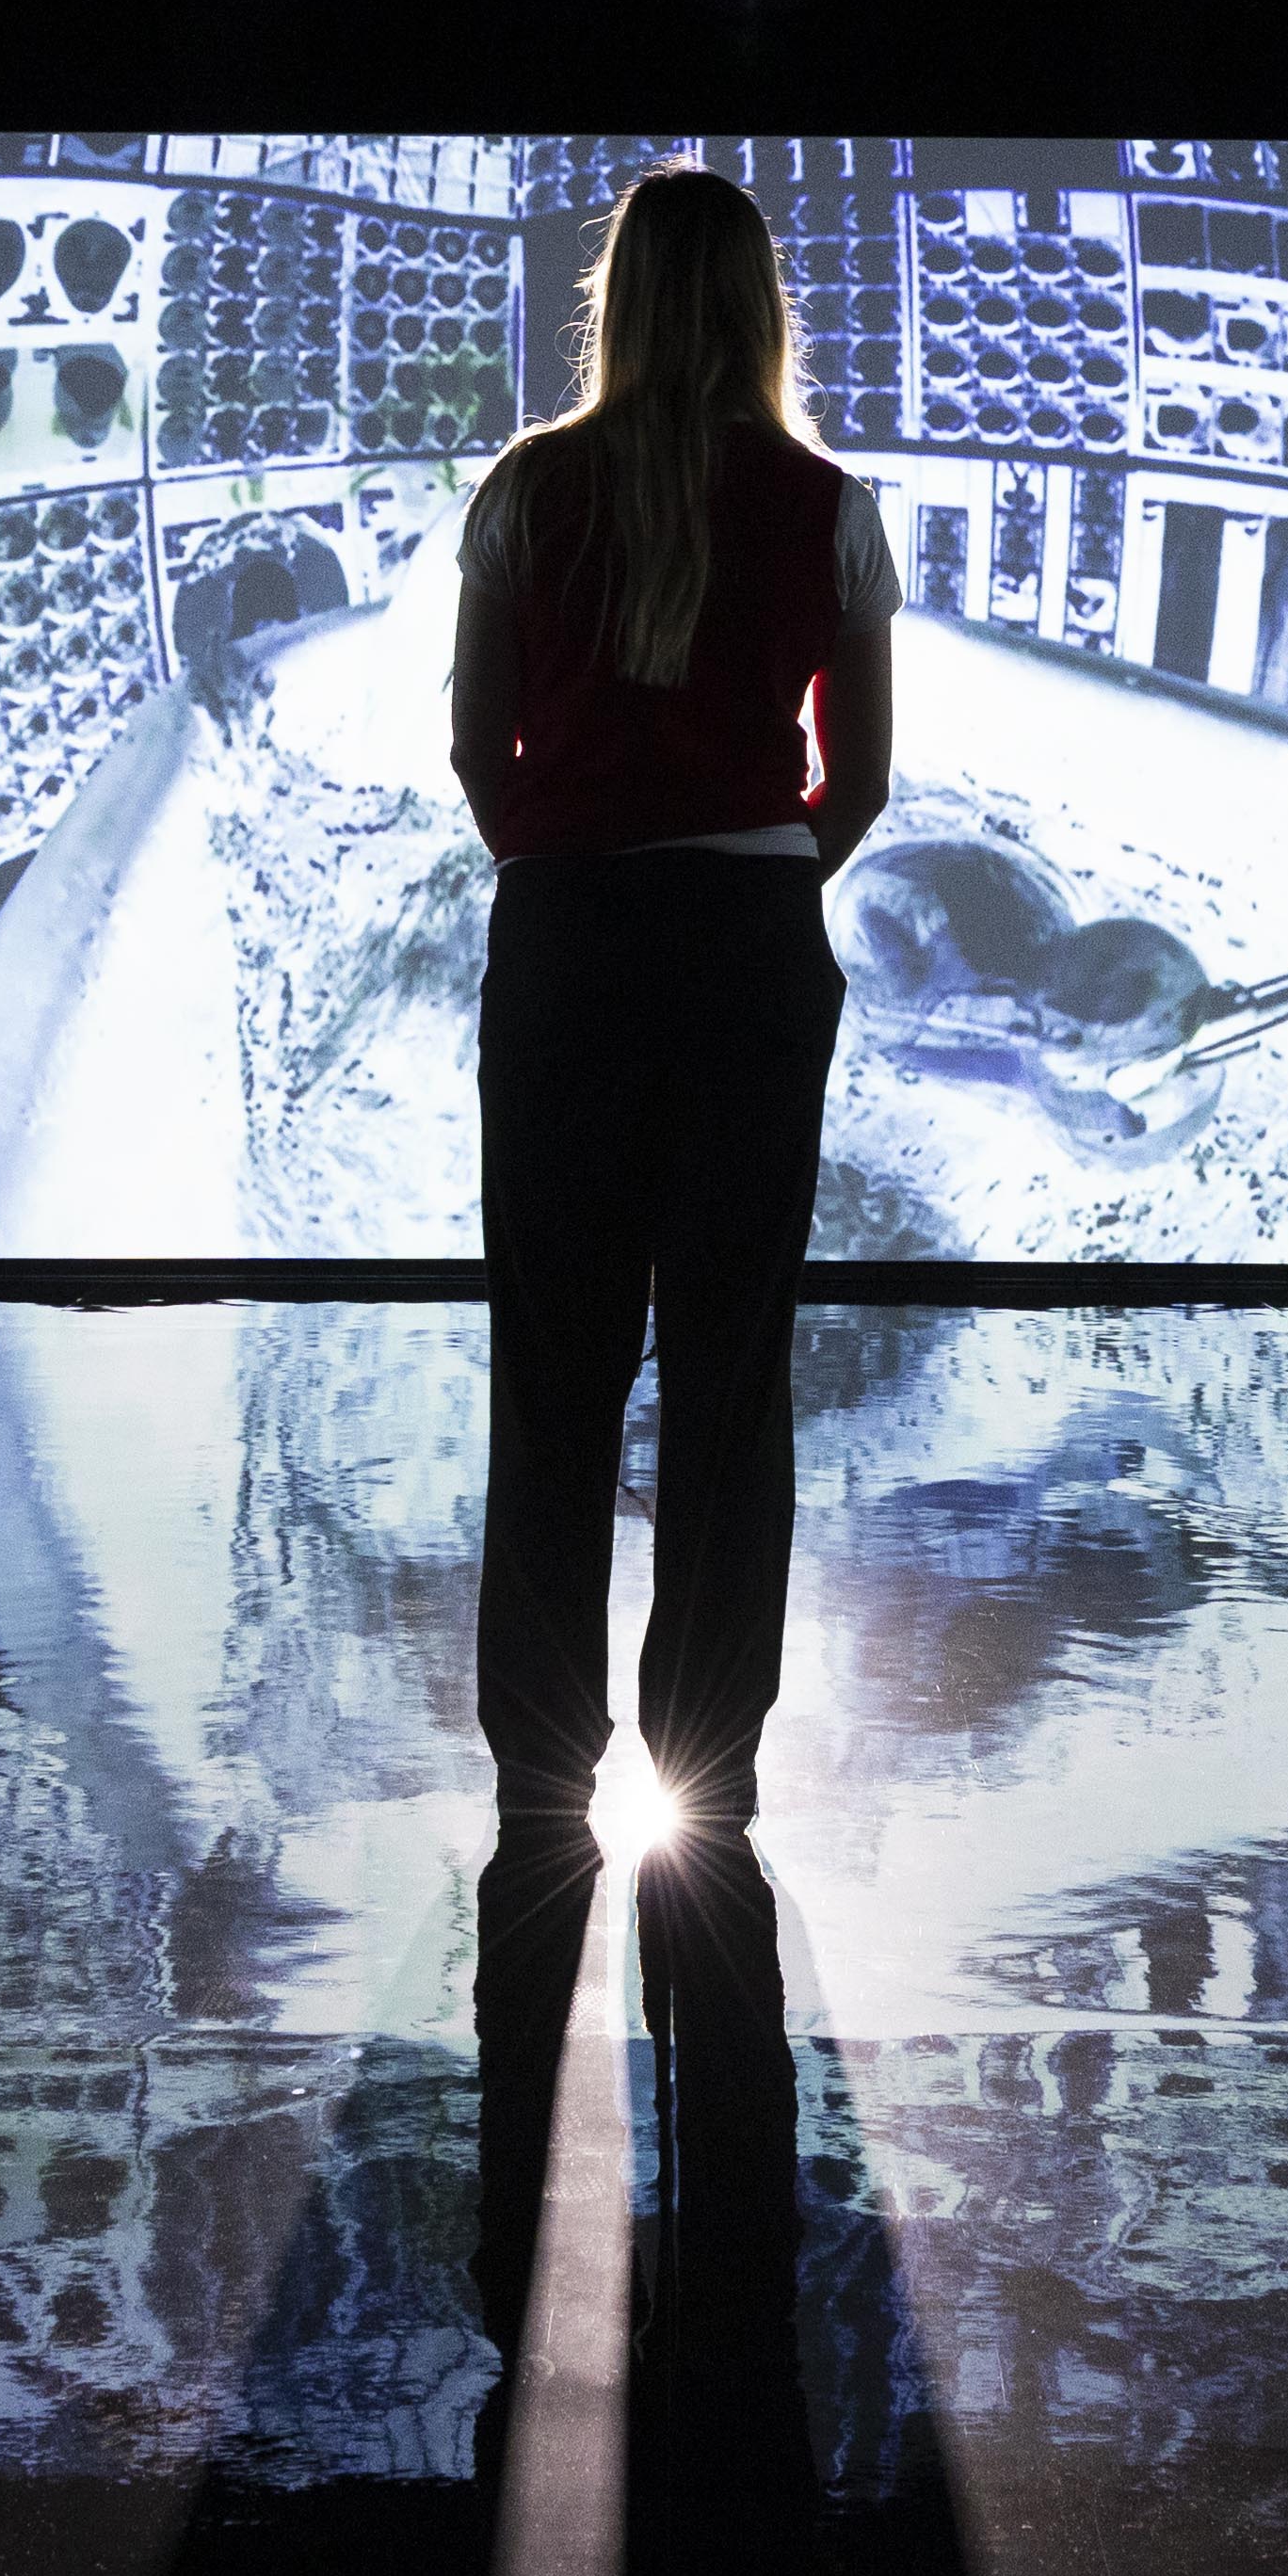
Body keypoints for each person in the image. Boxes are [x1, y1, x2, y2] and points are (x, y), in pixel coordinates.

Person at [448, 167, 896, 1829]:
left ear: (617, 301)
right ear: (761, 307)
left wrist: (567, 866)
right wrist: (746, 880)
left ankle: (541, 1763)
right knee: (729, 1366)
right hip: (749, 954)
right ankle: (706, 1752)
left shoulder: (524, 492)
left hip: (566, 942)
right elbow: (858, 785)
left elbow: (475, 745)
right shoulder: (829, 505)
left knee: (553, 1364)